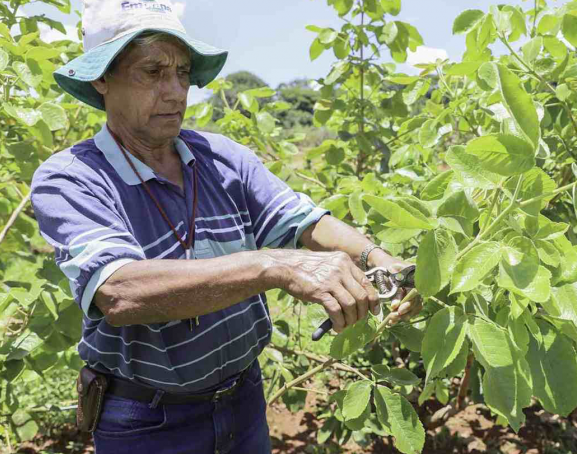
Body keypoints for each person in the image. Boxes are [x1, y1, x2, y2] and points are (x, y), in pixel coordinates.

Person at [31, 0, 421, 452]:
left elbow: (303, 221)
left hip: (242, 398)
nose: (177, 91)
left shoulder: (221, 157)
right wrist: (276, 266)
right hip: (148, 420)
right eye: (153, 72)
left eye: (182, 72)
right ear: (101, 79)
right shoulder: (72, 177)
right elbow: (121, 292)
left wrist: (379, 261)